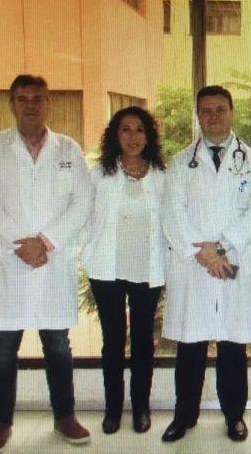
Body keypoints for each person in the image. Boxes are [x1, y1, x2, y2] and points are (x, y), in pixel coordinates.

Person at [0, 75, 93, 452]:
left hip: (50, 261)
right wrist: (20, 244)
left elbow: (83, 202)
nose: (30, 106)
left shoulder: (68, 149)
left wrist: (46, 242)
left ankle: (65, 416)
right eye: (22, 99)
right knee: (1, 349)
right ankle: (0, 423)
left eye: (37, 98)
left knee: (57, 346)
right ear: (11, 104)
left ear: (48, 103)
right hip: (8, 262)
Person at [160, 85, 251, 442]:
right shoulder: (181, 162)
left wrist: (222, 246)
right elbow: (172, 213)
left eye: (220, 109)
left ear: (232, 112)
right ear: (198, 115)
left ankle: (234, 416)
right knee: (190, 346)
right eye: (206, 110)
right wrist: (204, 254)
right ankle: (184, 417)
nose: (213, 116)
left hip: (233, 258)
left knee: (232, 346)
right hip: (195, 264)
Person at [81, 106, 167, 435]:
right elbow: (83, 216)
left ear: (149, 136)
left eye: (140, 130)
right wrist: (86, 250)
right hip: (107, 268)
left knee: (143, 340)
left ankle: (141, 407)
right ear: (115, 135)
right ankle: (113, 409)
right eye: (126, 129)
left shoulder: (161, 176)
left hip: (148, 268)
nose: (133, 137)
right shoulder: (99, 174)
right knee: (113, 340)